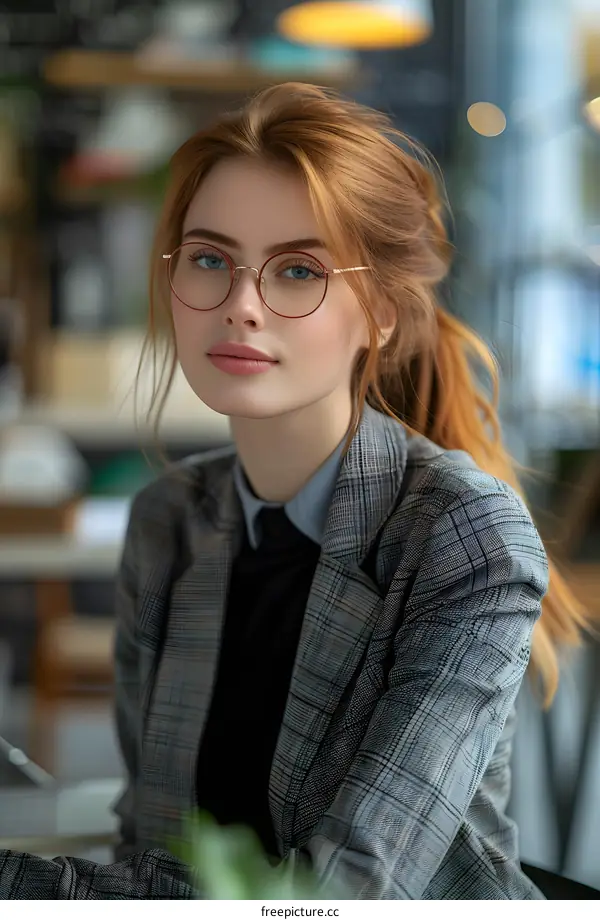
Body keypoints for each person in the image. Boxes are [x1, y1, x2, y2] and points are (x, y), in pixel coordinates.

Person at [0, 82, 588, 899]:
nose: (241, 306)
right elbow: (154, 842)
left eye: (299, 270)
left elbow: (343, 898)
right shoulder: (168, 521)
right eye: (210, 259)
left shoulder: (463, 535)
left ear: (381, 312)